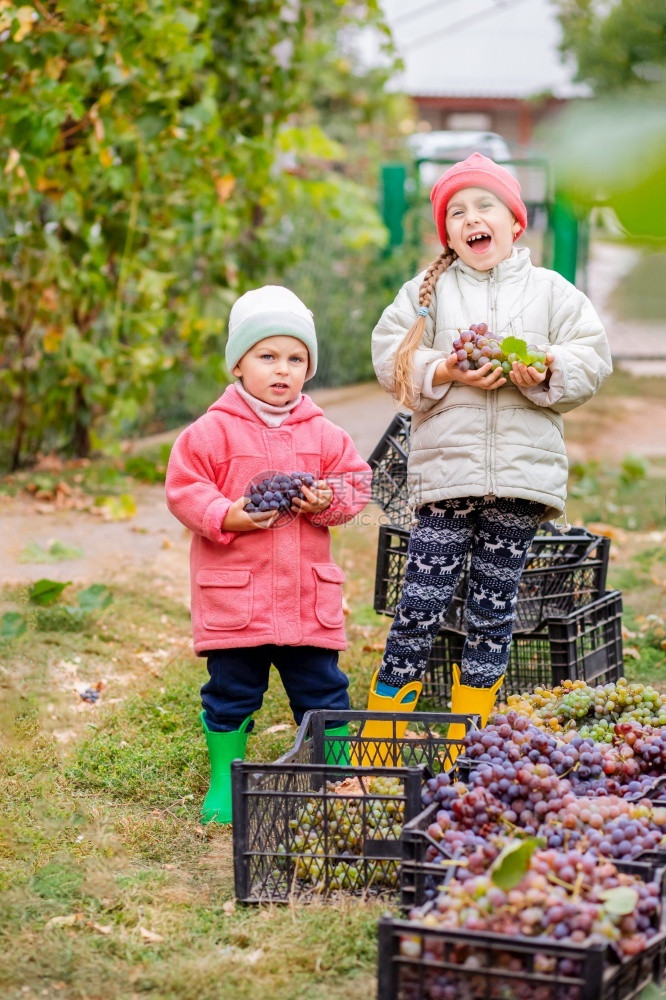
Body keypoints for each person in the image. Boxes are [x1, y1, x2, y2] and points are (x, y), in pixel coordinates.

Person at [363, 152, 612, 759]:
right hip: (448, 478)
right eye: (457, 212)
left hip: (522, 482)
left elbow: (591, 357)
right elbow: (390, 357)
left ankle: (465, 743)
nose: (472, 218)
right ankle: (380, 732)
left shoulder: (552, 291)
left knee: (491, 613)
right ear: (447, 233)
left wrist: (545, 368)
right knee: (420, 603)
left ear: (515, 221)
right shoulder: (429, 294)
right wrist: (443, 369)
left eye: (485, 205)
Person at [166, 285, 371, 822]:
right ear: (238, 363)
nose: (283, 370)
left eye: (296, 358)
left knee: (324, 690)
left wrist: (328, 501)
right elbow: (184, 489)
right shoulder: (211, 431)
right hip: (240, 598)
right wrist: (225, 515)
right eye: (268, 356)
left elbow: (356, 485)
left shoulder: (324, 433)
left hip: (305, 598)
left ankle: (338, 778)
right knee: (231, 690)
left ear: (309, 367)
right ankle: (223, 784)